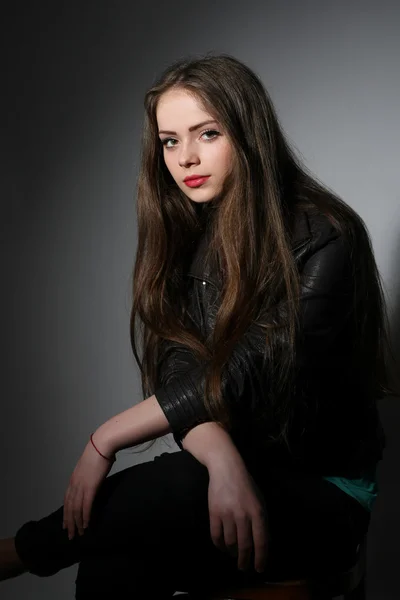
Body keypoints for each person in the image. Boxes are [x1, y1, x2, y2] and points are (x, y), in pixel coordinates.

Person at [0, 53, 392, 599]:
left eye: (207, 133)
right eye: (169, 141)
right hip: (226, 478)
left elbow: (250, 371)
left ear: (247, 133)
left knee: (171, 487)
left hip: (324, 494)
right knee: (113, 565)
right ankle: (29, 551)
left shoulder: (326, 235)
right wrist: (225, 461)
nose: (186, 158)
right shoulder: (185, 237)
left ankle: (21, 552)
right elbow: (182, 369)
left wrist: (103, 439)